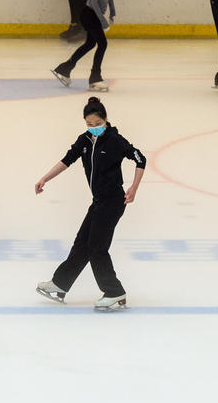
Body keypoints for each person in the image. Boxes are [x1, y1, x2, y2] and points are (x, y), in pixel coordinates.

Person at [34, 97, 145, 311]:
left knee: (97, 248)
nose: (93, 128)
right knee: (82, 243)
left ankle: (114, 292)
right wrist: (44, 179)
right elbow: (67, 160)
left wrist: (134, 188)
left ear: (105, 120)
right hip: (98, 201)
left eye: (97, 124)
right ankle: (59, 284)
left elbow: (140, 159)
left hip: (113, 201)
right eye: (89, 125)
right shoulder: (85, 140)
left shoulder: (115, 140)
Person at [51, 0, 117, 92]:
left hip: (96, 15)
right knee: (103, 44)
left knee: (89, 44)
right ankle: (95, 78)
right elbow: (93, 2)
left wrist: (112, 11)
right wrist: (103, 21)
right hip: (89, 14)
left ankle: (64, 68)